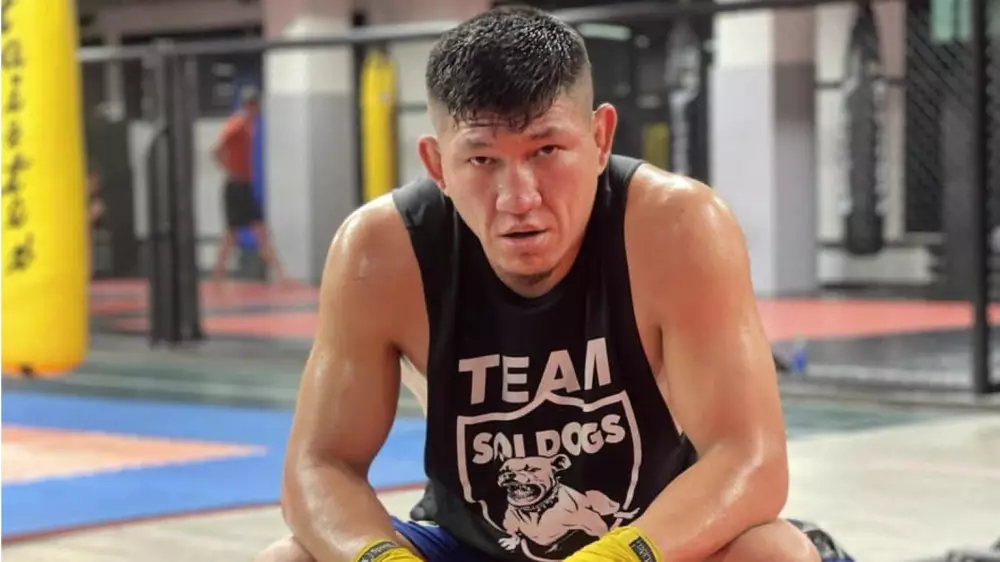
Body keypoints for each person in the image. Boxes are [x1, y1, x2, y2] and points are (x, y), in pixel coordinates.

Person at [257, 7, 826, 562]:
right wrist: (380, 559)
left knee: (773, 553)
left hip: (652, 540)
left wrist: (618, 556)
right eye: (482, 160)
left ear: (600, 138)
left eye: (546, 150)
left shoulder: (675, 226)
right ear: (437, 165)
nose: (519, 197)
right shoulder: (382, 251)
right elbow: (320, 465)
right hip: (467, 545)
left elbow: (748, 458)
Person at [211, 87, 287, 284]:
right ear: (249, 106)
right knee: (232, 233)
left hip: (244, 185)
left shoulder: (249, 125)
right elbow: (217, 149)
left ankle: (280, 275)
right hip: (236, 185)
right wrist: (230, 168)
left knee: (258, 230)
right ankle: (218, 276)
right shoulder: (237, 124)